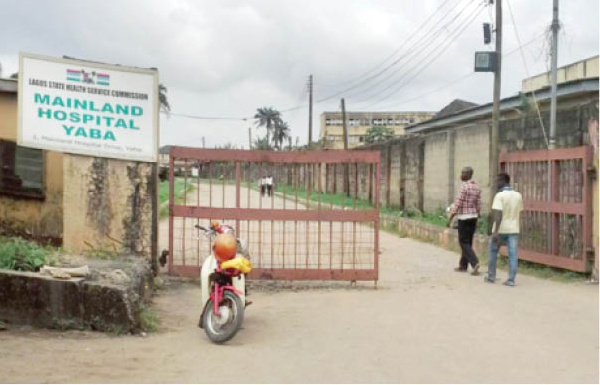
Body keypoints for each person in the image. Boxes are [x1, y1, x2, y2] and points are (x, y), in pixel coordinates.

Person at [485, 172, 523, 287]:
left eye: (497, 181)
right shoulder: (518, 195)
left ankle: (491, 276)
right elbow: (520, 213)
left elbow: (498, 215)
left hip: (501, 229)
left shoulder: (499, 196)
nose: (496, 183)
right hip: (514, 229)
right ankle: (511, 279)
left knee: (493, 251)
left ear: (503, 181)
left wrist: (495, 231)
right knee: (513, 254)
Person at [447, 166, 481, 275]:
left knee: (463, 242)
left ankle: (475, 262)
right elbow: (478, 204)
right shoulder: (476, 187)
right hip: (473, 217)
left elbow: (458, 203)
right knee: (468, 242)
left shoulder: (464, 187)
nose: (461, 175)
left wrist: (451, 218)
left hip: (464, 217)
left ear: (468, 174)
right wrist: (477, 216)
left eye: (463, 173)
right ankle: (463, 265)